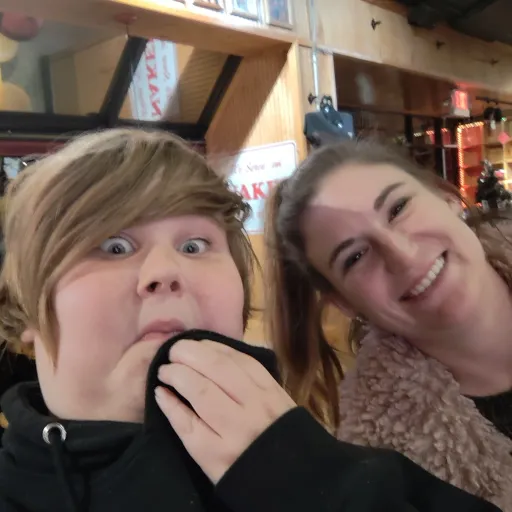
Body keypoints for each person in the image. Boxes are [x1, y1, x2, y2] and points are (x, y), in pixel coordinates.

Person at [0, 129, 500, 512]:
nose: (165, 271)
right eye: (113, 247)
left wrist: (317, 486)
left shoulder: (339, 465)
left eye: (194, 245)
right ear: (22, 306)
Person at [265, 138, 512, 510]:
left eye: (398, 208)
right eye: (355, 256)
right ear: (345, 302)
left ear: (446, 197)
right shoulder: (376, 470)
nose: (403, 255)